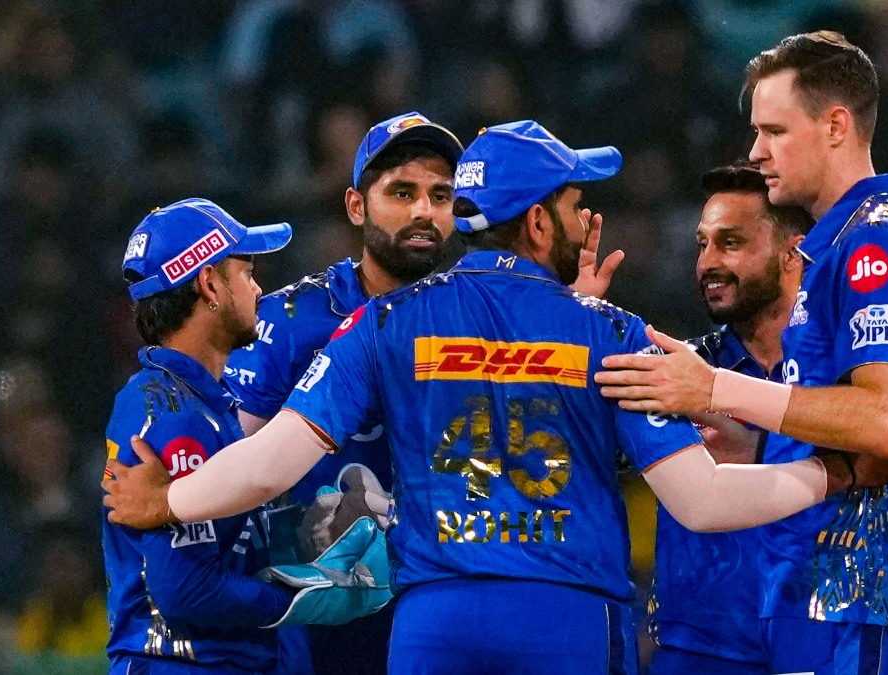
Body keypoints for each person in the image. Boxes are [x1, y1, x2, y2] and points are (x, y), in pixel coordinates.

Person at [102, 121, 888, 674]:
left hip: (434, 624)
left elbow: (267, 463)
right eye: (574, 202)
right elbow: (704, 499)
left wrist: (166, 500)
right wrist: (837, 474)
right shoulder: (606, 331)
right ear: (538, 223)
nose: (586, 214)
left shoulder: (383, 321)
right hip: (565, 621)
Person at [598, 32, 888, 673]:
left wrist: (714, 390)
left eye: (775, 131)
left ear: (835, 126)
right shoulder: (832, 255)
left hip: (859, 607)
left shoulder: (876, 247)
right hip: (807, 611)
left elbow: (884, 423)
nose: (758, 151)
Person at [222, 110, 624, 674]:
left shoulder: (486, 311)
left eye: (441, 195)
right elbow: (234, 462)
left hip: (451, 596)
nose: (423, 212)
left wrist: (558, 312)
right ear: (356, 206)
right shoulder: (289, 321)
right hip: (328, 615)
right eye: (401, 192)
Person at [647, 162, 888, 674]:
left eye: (731, 243)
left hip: (818, 640)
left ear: (795, 253)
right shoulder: (681, 372)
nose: (707, 263)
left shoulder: (852, 388)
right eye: (703, 244)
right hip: (703, 650)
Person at [104, 198, 389, 674]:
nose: (258, 288)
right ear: (210, 284)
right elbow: (185, 589)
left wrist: (299, 532)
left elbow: (221, 543)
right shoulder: (173, 415)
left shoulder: (201, 403)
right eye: (247, 272)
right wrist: (299, 597)